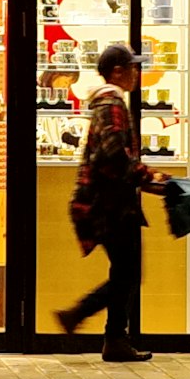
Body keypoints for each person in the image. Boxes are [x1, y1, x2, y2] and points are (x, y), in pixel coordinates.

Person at [54, 41, 171, 361]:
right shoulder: (113, 105)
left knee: (126, 271)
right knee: (129, 273)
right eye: (133, 67)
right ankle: (87, 321)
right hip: (110, 205)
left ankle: (111, 337)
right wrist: (149, 178)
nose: (137, 72)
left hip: (106, 203)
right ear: (118, 71)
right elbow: (114, 157)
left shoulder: (107, 104)